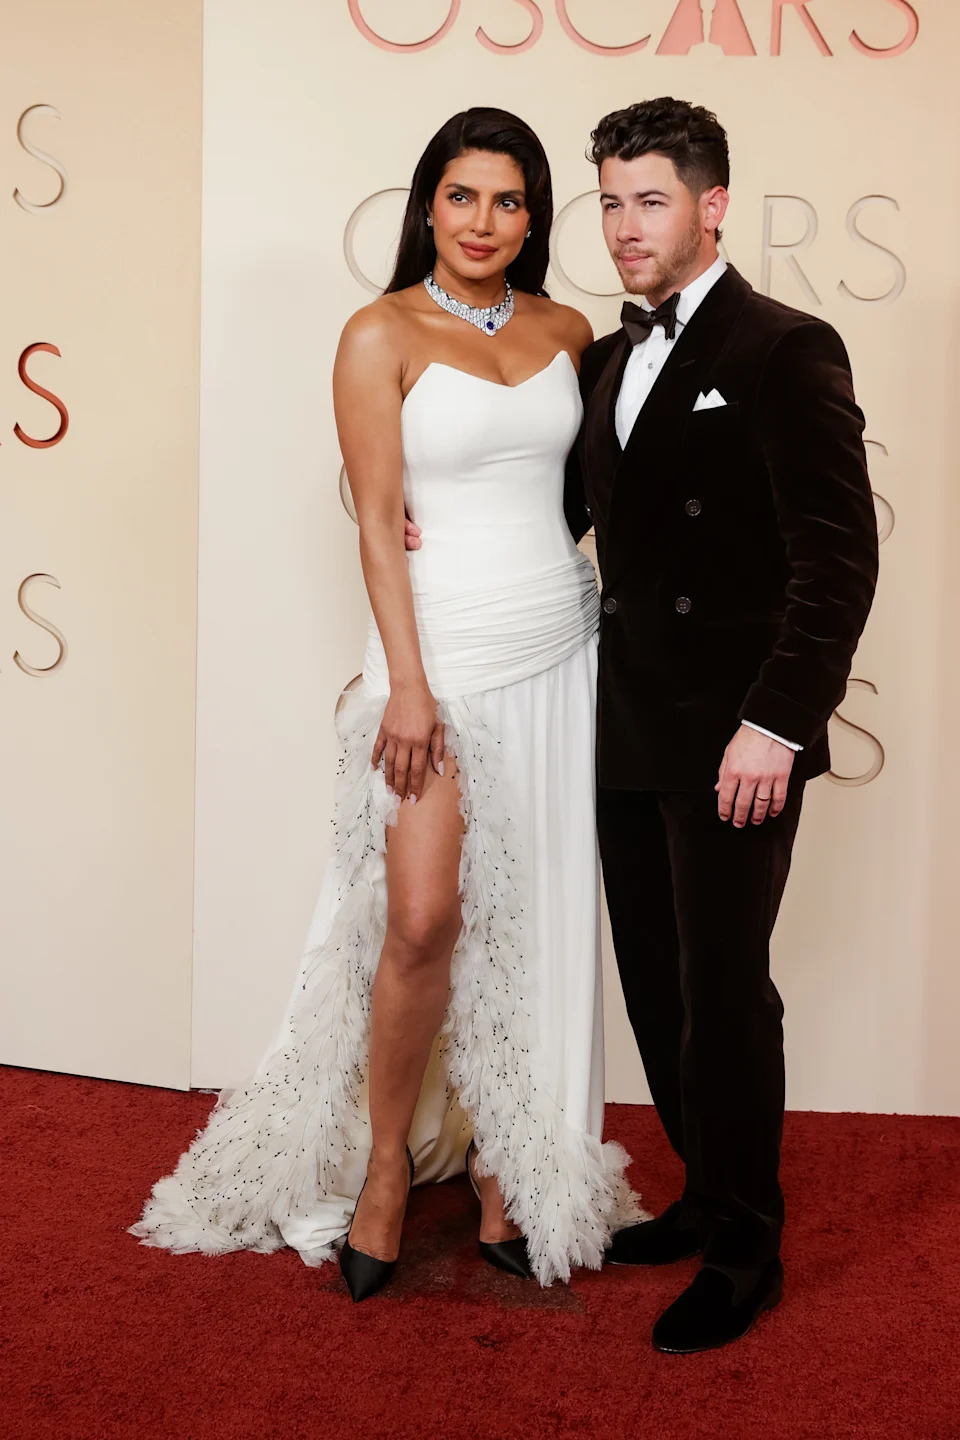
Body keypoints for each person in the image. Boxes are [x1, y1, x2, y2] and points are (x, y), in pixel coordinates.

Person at [129, 107, 642, 1299]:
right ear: (428, 205)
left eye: (508, 200)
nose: (482, 221)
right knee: (421, 918)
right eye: (462, 196)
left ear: (534, 217)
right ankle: (383, 1171)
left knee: (532, 919)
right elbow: (372, 517)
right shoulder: (379, 331)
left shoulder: (570, 331)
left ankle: (513, 1166)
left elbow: (592, 493)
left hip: (557, 642)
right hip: (438, 655)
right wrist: (404, 684)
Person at [562, 97, 879, 1353]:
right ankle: (702, 1191)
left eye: (650, 200)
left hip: (737, 734)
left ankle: (748, 1247)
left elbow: (838, 562)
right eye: (609, 202)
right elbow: (571, 515)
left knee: (725, 988)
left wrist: (779, 725)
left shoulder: (784, 347)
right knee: (654, 977)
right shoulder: (603, 358)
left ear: (713, 205)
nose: (624, 226)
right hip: (628, 718)